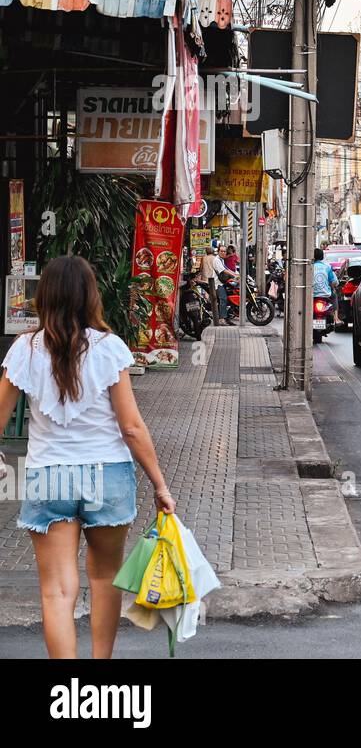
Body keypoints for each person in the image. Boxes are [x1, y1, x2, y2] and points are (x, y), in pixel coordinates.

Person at [0, 256, 175, 659]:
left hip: (49, 478)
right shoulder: (109, 349)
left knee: (57, 590)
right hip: (107, 476)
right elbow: (131, 427)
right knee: (105, 578)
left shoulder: (24, 349)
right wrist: (160, 485)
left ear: (43, 297)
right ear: (90, 296)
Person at [198, 245, 232, 325]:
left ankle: (223, 316)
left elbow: (200, 268)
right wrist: (234, 275)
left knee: (209, 296)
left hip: (206, 277)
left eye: (224, 251)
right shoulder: (215, 259)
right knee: (221, 298)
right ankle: (221, 318)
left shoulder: (205, 258)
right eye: (221, 251)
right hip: (214, 281)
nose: (223, 253)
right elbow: (223, 270)